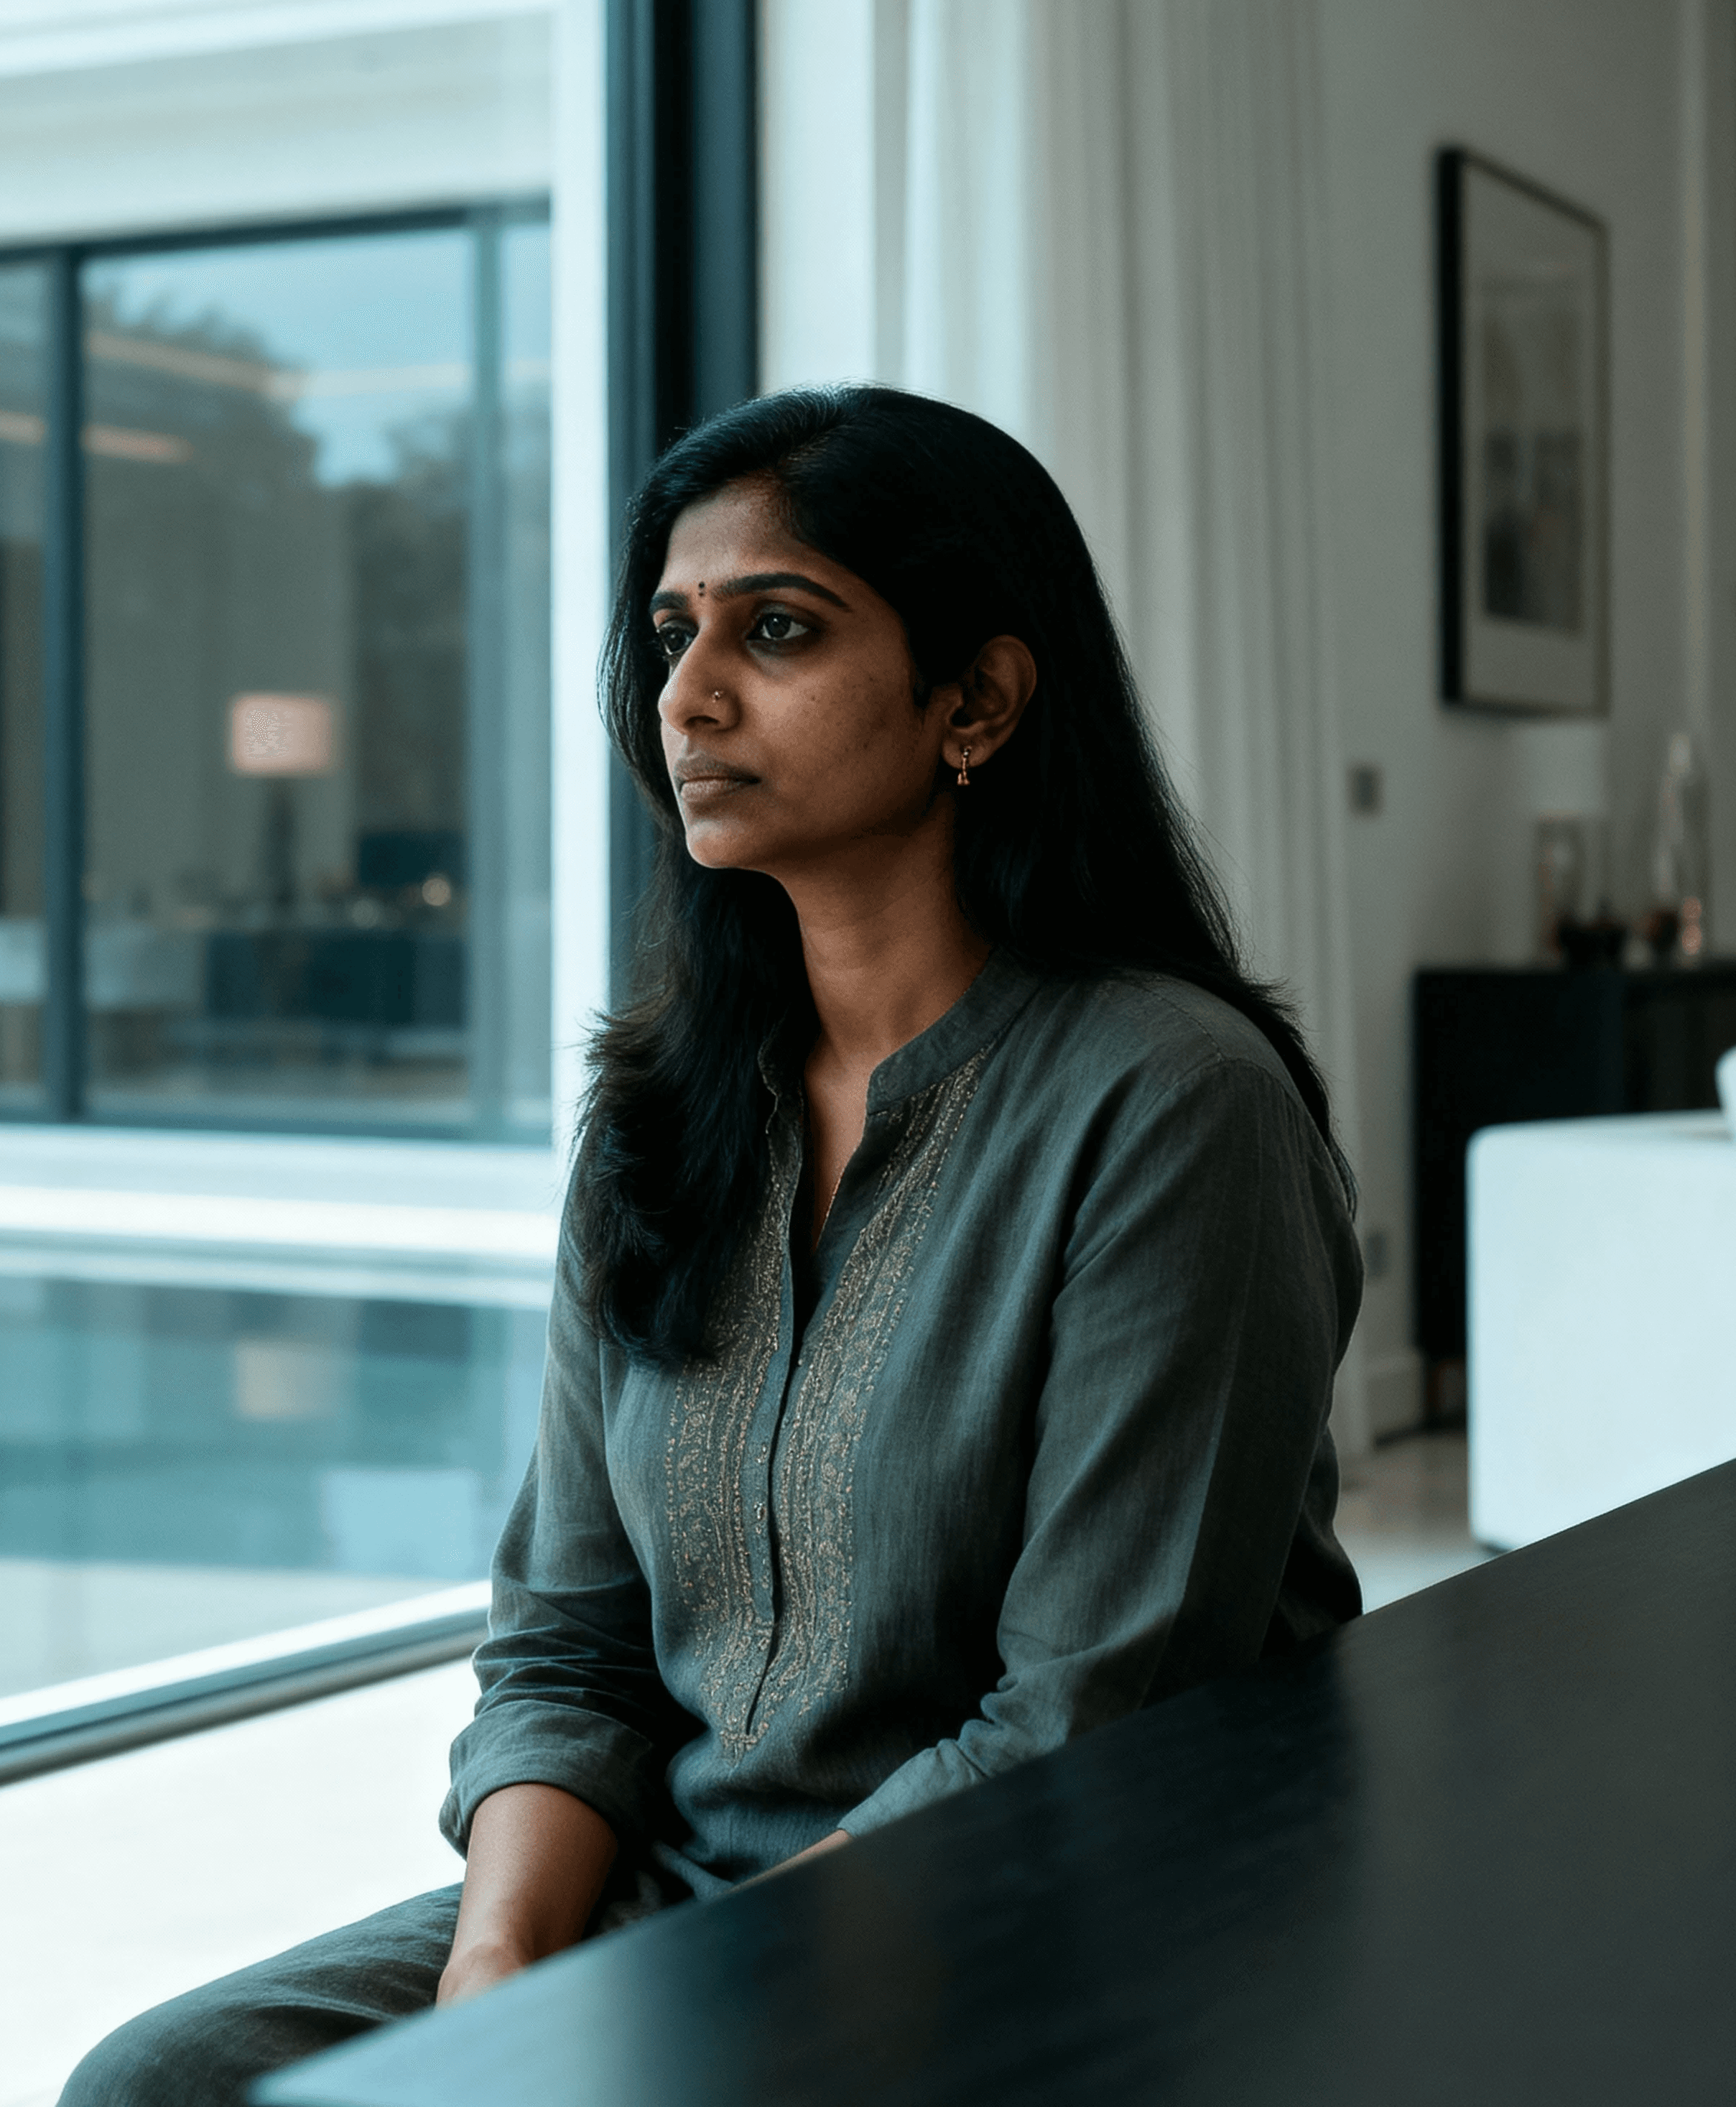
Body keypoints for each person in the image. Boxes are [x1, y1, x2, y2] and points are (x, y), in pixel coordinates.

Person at [62, 384, 1362, 2105]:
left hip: (1030, 1908)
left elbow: (1086, 1717)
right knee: (160, 2077)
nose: (687, 692)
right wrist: (500, 1972)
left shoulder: (1169, 1106)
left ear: (973, 698)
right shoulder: (661, 1115)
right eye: (673, 631)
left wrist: (650, 2011)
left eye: (779, 628)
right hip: (671, 1890)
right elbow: (567, 1639)